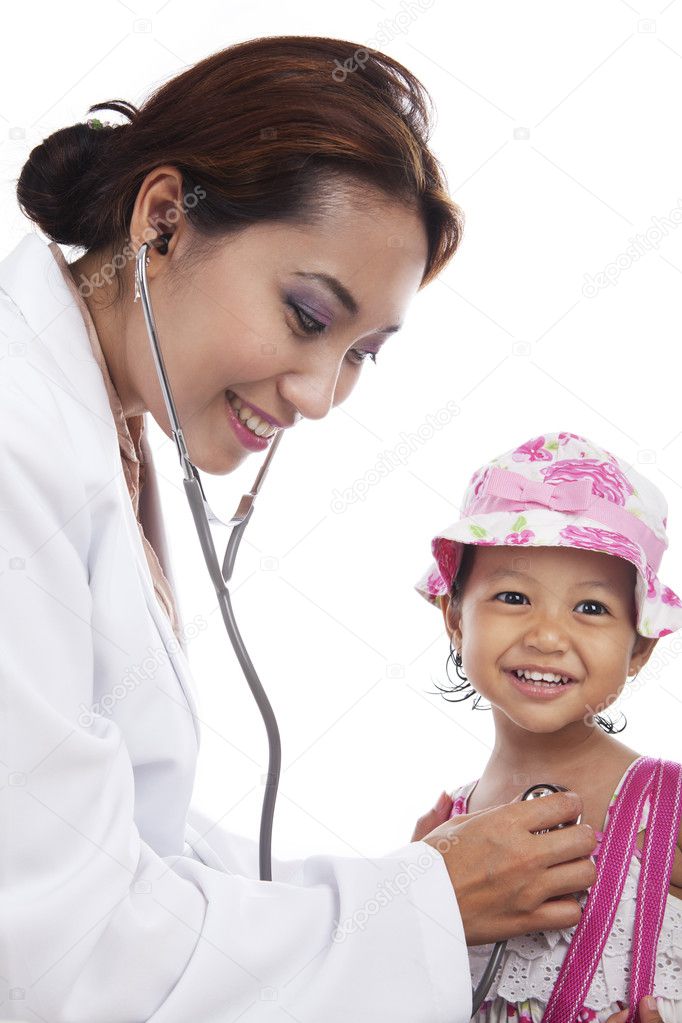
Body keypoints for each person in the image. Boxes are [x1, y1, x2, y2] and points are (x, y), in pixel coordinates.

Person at [0, 34, 652, 1022]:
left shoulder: (94, 430)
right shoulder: (18, 445)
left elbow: (132, 848)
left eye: (363, 355)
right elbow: (63, 954)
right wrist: (425, 904)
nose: (316, 396)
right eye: (308, 314)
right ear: (164, 219)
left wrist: (420, 886)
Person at [413, 429, 682, 1021]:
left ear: (639, 649)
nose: (547, 636)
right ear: (454, 616)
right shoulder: (441, 837)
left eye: (591, 608)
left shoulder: (668, 813)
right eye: (513, 597)